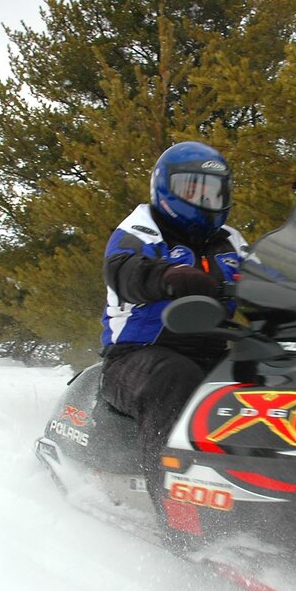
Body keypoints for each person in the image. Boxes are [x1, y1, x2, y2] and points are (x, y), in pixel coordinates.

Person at [100, 141, 248, 509]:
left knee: (266, 375)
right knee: (175, 379)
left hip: (212, 352)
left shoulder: (229, 240)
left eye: (212, 191)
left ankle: (281, 491)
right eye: (192, 189)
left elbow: (269, 272)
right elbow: (124, 270)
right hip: (135, 357)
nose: (203, 199)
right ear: (166, 188)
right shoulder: (141, 229)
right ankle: (177, 512)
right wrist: (167, 276)